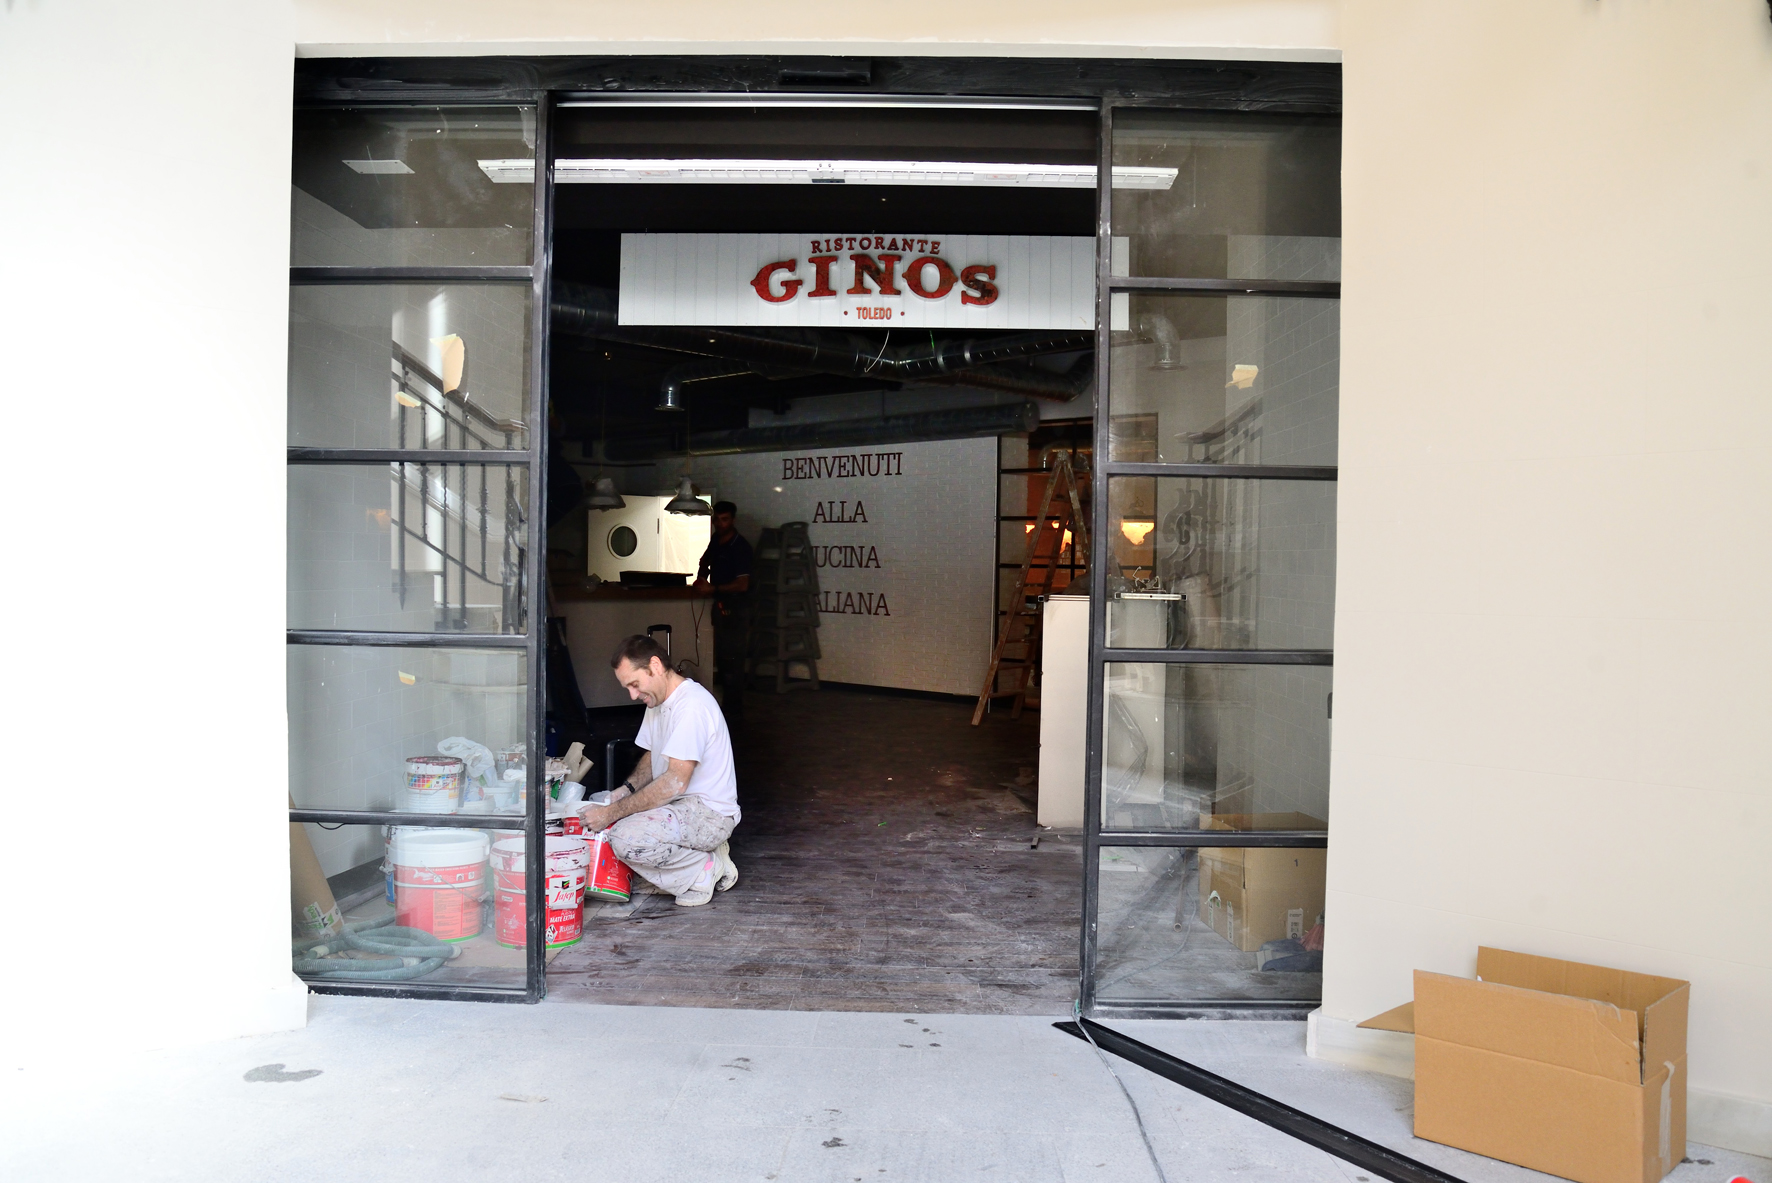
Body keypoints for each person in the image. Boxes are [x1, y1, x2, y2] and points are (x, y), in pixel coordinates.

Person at [581, 634, 739, 907]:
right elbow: (652, 756)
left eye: (634, 684)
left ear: (654, 666)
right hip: (680, 808)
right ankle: (696, 860)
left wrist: (610, 813)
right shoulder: (658, 701)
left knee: (625, 837)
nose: (632, 695)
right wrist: (623, 792)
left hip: (709, 814)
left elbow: (673, 782)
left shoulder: (691, 706)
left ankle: (705, 869)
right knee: (620, 816)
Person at [693, 500, 753, 722]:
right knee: (723, 658)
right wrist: (702, 576)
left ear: (733, 520)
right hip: (720, 606)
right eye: (716, 519)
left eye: (724, 519)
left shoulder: (741, 547)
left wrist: (713, 588)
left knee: (733, 661)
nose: (720, 523)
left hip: (737, 608)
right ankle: (726, 709)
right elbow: (705, 559)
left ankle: (734, 711)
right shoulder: (716, 541)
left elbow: (743, 584)